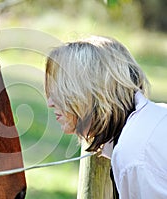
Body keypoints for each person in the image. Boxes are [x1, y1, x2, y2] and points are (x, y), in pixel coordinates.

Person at [45, 35, 167, 199]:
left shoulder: (135, 156)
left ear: (90, 93)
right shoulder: (152, 119)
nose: (50, 102)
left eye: (60, 91)